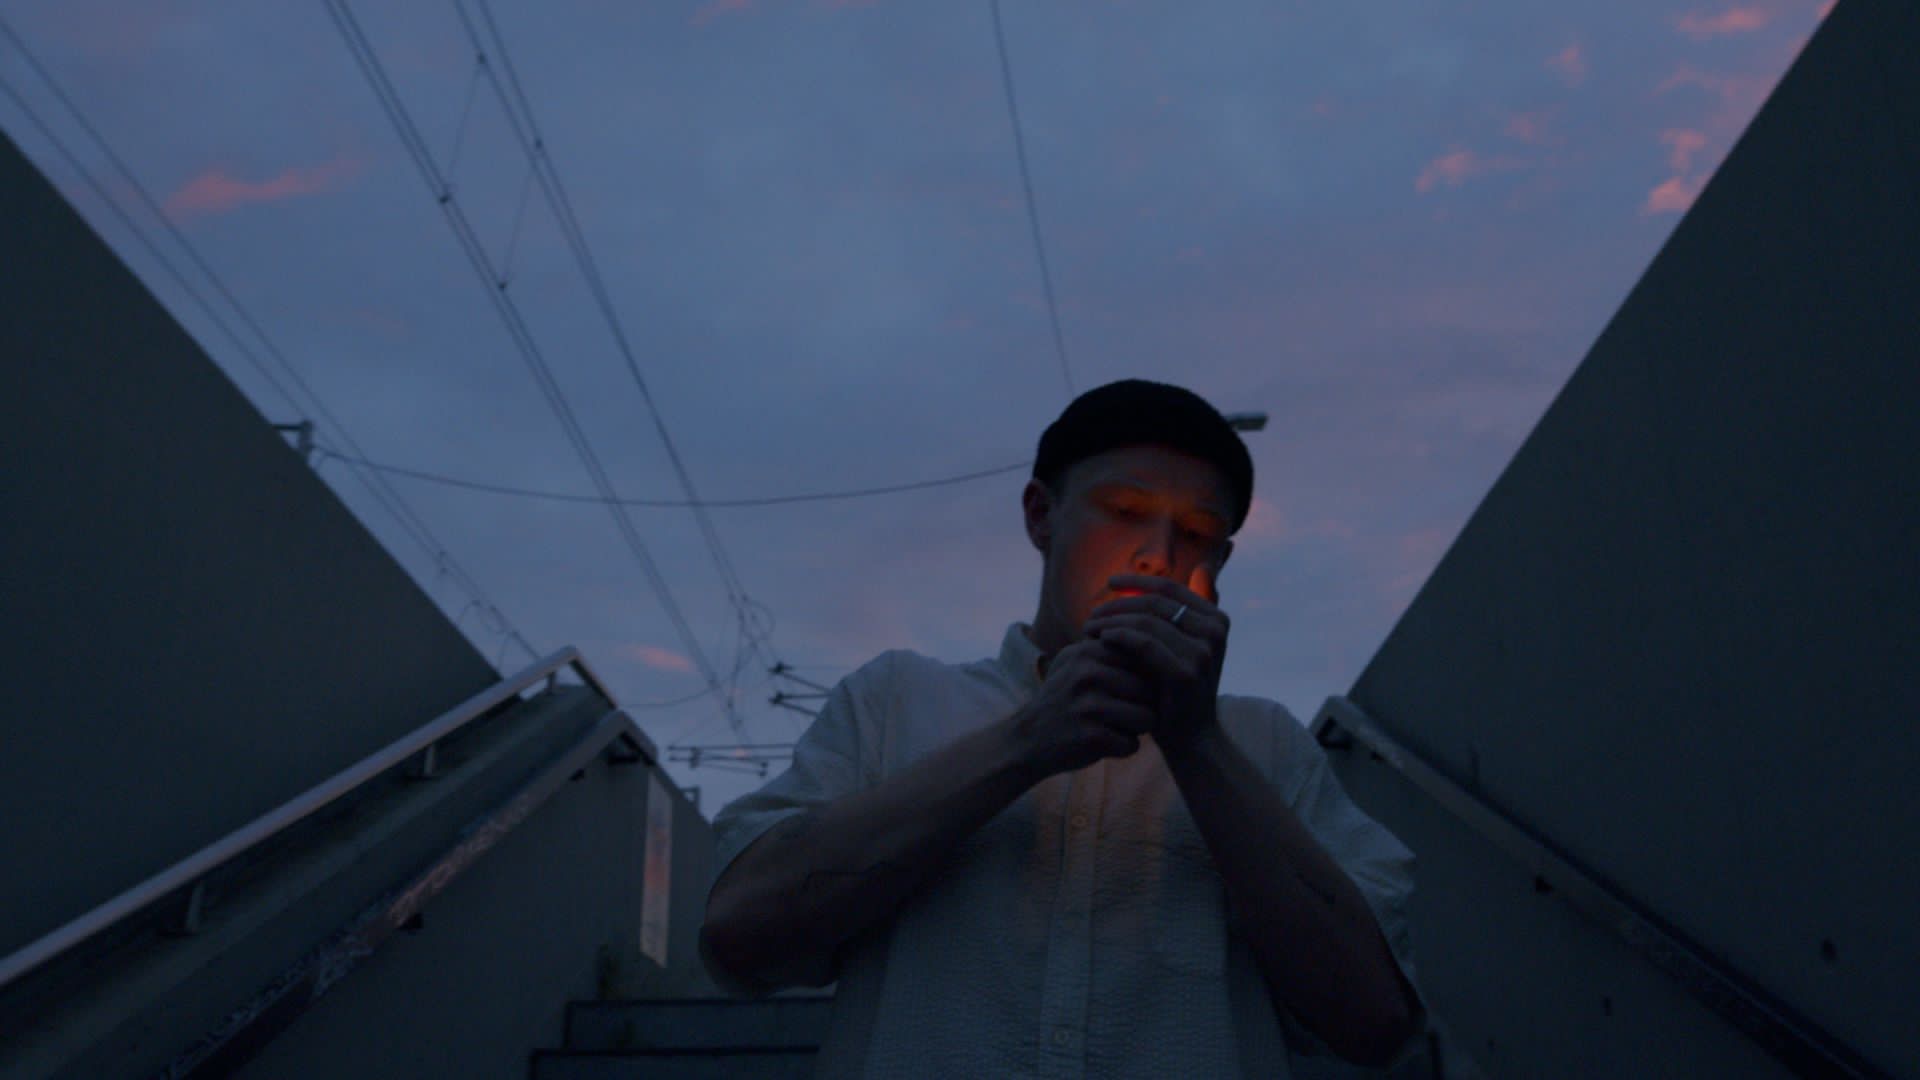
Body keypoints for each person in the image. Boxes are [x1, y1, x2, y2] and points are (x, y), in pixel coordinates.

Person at [701, 379, 1428, 1077]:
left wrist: (1197, 742)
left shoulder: (1265, 745)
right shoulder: (894, 701)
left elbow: (1377, 1024)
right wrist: (1024, 743)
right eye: (1125, 510)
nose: (1159, 554)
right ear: (1040, 516)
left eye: (1198, 532)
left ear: (1221, 561)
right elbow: (738, 934)